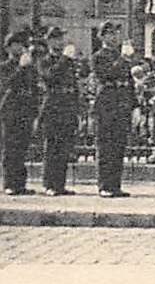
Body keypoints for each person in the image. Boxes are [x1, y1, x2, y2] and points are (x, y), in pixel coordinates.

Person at [90, 21, 135, 198]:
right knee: (105, 146)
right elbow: (107, 75)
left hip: (121, 104)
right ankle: (104, 185)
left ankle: (115, 185)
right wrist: (123, 59)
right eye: (110, 34)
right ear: (102, 36)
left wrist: (135, 105)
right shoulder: (98, 56)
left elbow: (129, 82)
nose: (114, 37)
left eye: (116, 33)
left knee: (118, 146)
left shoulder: (121, 56)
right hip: (106, 104)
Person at [34, 27, 80, 197]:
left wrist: (77, 109)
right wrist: (65, 59)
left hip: (67, 107)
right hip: (53, 107)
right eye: (55, 38)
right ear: (49, 41)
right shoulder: (44, 60)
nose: (59, 42)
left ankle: (60, 184)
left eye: (61, 38)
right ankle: (49, 184)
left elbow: (74, 86)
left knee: (64, 148)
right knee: (52, 147)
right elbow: (50, 77)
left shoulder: (68, 62)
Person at [1, 31, 40, 195]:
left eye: (21, 44)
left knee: (22, 148)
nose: (20, 48)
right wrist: (21, 68)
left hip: (25, 111)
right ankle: (10, 183)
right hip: (11, 111)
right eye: (16, 44)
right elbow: (9, 83)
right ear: (8, 47)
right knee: (11, 148)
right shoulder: (5, 67)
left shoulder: (29, 67)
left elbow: (34, 88)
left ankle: (20, 184)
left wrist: (35, 111)